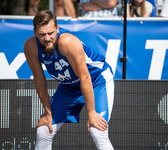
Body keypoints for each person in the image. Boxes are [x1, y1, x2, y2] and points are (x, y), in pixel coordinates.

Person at [24, 10, 114, 150]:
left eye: (51, 33)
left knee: (98, 131)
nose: (47, 38)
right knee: (44, 130)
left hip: (96, 81)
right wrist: (48, 113)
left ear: (57, 28)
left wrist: (91, 113)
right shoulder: (30, 46)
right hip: (68, 87)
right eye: (42, 34)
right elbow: (40, 79)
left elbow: (85, 77)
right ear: (35, 32)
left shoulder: (67, 41)